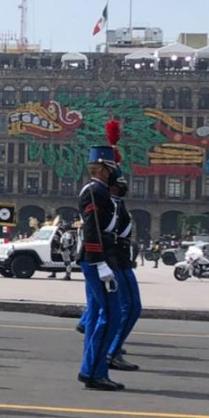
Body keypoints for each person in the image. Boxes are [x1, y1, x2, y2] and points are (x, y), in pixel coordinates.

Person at [77, 141, 125, 391]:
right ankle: (93, 372)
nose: (117, 173)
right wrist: (99, 262)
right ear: (104, 169)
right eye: (113, 168)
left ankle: (94, 369)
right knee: (110, 315)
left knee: (107, 314)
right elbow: (92, 228)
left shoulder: (102, 191)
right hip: (97, 259)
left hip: (103, 257)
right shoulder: (95, 191)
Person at [106, 173, 141, 372]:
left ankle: (111, 349)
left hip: (120, 261)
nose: (125, 185)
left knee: (122, 308)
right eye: (121, 182)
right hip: (117, 262)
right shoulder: (110, 203)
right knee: (130, 307)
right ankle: (112, 352)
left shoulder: (116, 203)